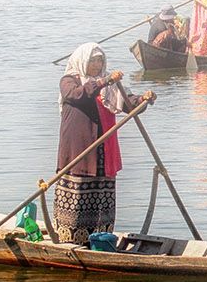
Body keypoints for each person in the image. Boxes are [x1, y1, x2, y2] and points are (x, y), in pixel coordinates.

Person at [56, 43, 154, 245]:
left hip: (104, 148)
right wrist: (104, 81)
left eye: (100, 60)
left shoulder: (109, 84)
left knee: (102, 191)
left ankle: (101, 239)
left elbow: (127, 103)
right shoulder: (69, 80)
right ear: (83, 61)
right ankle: (71, 239)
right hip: (79, 150)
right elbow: (78, 95)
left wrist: (143, 99)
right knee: (79, 191)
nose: (97, 64)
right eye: (93, 60)